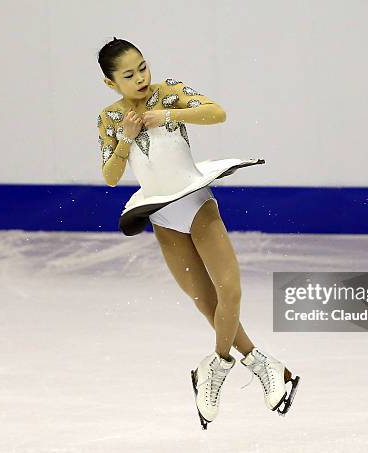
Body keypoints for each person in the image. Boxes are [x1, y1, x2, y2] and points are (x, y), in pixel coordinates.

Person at [96, 37, 299, 429]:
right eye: (128, 74)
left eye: (142, 67)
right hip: (162, 215)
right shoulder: (108, 119)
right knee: (206, 302)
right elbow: (109, 176)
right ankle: (262, 364)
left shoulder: (167, 92)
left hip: (196, 202)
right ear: (111, 83)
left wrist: (167, 117)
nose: (140, 77)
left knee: (231, 290)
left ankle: (217, 366)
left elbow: (217, 112)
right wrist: (125, 137)